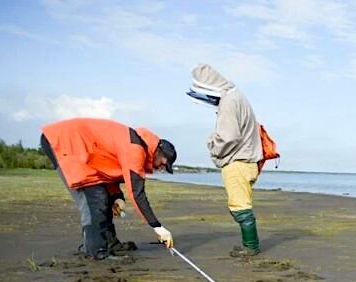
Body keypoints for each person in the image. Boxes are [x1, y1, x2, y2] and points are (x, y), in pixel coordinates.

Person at [40, 118, 176, 260]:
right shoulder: (135, 149)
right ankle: (96, 250)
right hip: (65, 142)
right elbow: (137, 194)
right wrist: (157, 227)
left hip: (80, 147)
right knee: (95, 199)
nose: (160, 168)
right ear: (157, 152)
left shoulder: (136, 144)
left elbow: (107, 171)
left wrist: (117, 197)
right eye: (163, 164)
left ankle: (109, 243)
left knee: (103, 196)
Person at [188, 64, 261, 257]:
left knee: (240, 207)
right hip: (248, 161)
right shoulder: (236, 96)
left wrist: (212, 144)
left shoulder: (229, 101)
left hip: (238, 162)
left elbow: (228, 136)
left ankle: (251, 247)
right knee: (241, 205)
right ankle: (250, 245)